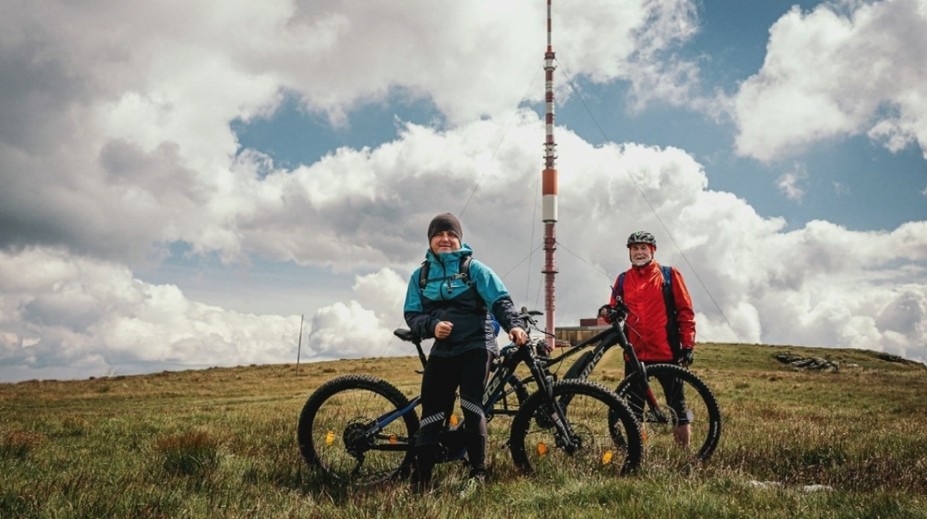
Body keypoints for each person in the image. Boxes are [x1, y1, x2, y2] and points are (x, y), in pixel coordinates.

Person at [403, 212, 529, 494]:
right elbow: (412, 313)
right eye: (439, 235)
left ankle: (477, 473)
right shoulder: (420, 276)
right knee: (433, 411)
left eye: (451, 235)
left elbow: (500, 301)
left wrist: (515, 326)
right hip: (443, 349)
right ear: (430, 240)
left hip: (476, 345)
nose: (445, 239)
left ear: (459, 239)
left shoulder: (475, 269)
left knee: (472, 406)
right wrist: (431, 326)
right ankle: (422, 480)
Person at [599, 230, 696, 447]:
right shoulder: (623, 279)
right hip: (635, 355)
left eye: (644, 248)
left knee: (678, 407)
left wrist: (688, 345)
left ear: (652, 251)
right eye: (634, 248)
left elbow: (685, 312)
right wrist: (607, 313)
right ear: (630, 253)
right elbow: (614, 312)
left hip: (666, 353)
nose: (639, 252)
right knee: (633, 409)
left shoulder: (669, 275)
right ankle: (638, 452)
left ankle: (685, 455)